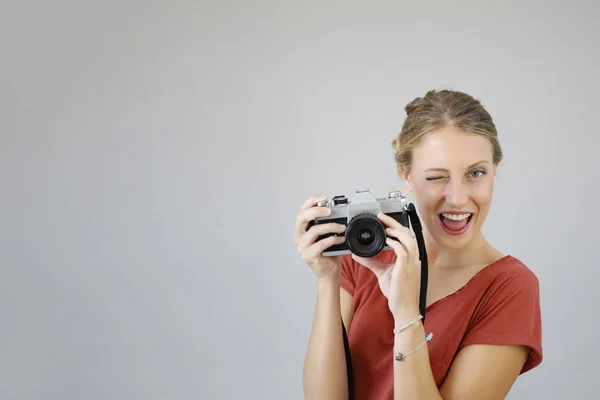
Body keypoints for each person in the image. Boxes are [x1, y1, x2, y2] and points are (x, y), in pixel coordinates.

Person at [294, 89, 543, 400]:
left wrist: (406, 313)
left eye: (475, 173)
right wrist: (327, 280)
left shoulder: (509, 287)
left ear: (495, 170)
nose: (457, 197)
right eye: (437, 177)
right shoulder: (365, 255)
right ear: (407, 175)